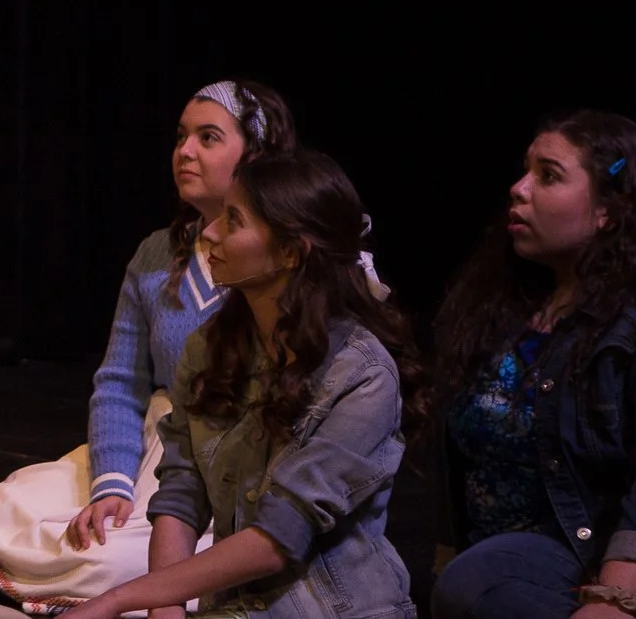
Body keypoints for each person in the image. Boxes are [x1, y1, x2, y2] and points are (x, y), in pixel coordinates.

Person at [0, 81, 297, 608]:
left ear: (256, 155)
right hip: (157, 449)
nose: (184, 151)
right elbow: (119, 383)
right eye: (181, 137)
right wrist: (113, 484)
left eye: (208, 138)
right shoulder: (157, 254)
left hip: (238, 465)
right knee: (9, 513)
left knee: (108, 562)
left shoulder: (285, 259)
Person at [63, 149, 420, 619]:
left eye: (233, 220)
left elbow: (278, 538)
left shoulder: (362, 374)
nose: (209, 231)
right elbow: (181, 492)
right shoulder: (210, 349)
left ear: (291, 252)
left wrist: (121, 598)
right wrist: (164, 609)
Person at [431, 111, 636, 619]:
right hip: (488, 576)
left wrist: (615, 600)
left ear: (608, 210)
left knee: (476, 582)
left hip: (582, 566)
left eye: (548, 176)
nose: (518, 189)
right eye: (524, 170)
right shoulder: (497, 313)